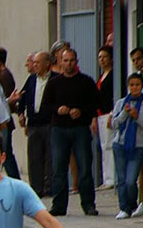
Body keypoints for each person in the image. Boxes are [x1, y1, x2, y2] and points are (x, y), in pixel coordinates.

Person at [43, 48, 101, 216]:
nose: (68, 64)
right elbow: (46, 106)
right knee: (59, 169)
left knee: (84, 167)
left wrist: (81, 111)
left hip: (80, 129)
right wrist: (57, 109)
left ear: (77, 62)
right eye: (65, 60)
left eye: (71, 60)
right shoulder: (54, 83)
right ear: (60, 62)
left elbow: (96, 103)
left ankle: (88, 204)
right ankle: (59, 206)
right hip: (59, 129)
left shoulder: (86, 82)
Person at [109, 73, 143, 220]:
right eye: (132, 85)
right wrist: (124, 114)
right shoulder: (121, 103)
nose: (134, 88)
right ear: (128, 86)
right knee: (121, 179)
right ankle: (124, 208)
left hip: (138, 146)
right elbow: (114, 124)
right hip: (120, 144)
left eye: (137, 85)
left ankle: (132, 203)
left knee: (130, 180)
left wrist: (137, 117)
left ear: (142, 86)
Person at [14, 50, 57, 196]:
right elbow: (22, 98)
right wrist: (21, 113)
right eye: (34, 63)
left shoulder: (55, 79)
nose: (35, 65)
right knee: (34, 157)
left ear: (47, 63)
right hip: (33, 123)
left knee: (50, 157)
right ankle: (36, 188)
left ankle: (50, 187)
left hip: (50, 123)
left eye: (38, 63)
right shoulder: (31, 79)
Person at [95, 45, 115, 189]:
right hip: (100, 115)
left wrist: (113, 113)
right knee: (103, 146)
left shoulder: (113, 75)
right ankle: (106, 177)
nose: (102, 60)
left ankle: (111, 178)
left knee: (109, 146)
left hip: (109, 113)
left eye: (105, 57)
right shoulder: (101, 76)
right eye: (100, 57)